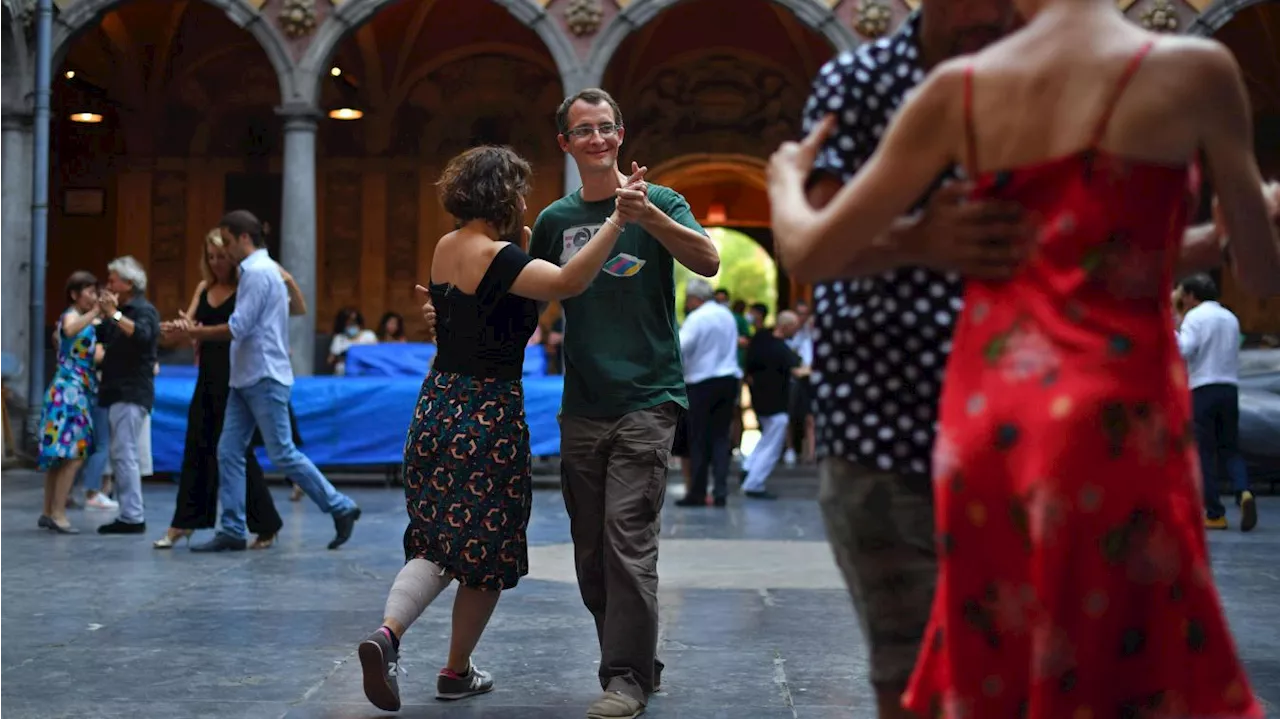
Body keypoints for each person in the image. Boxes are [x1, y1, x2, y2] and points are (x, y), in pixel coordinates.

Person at [769, 0, 1280, 713]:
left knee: (990, 663)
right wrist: (1251, 210)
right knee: (1122, 663)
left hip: (986, 420)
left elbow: (807, 247)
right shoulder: (1194, 70)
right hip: (1116, 420)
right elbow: (1258, 272)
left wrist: (784, 181)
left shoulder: (965, 88)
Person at [356, 145, 639, 712]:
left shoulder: (447, 247)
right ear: (503, 195)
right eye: (519, 189)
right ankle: (455, 670)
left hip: (437, 406)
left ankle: (387, 634)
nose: (524, 198)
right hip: (487, 414)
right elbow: (568, 282)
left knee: (436, 539)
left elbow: (482, 309)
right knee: (486, 551)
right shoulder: (498, 253)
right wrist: (617, 220)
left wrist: (525, 245)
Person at [529, 88, 718, 719]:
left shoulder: (659, 200)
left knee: (627, 539)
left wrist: (646, 218)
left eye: (606, 128)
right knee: (590, 552)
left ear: (621, 136)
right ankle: (638, 658)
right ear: (566, 143)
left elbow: (710, 260)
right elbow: (531, 301)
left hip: (648, 396)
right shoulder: (555, 222)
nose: (598, 138)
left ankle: (626, 677)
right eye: (584, 130)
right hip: (583, 402)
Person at [172, 210, 362, 552]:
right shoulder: (257, 271)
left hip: (263, 376)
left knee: (282, 453)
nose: (225, 251)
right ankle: (231, 528)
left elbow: (237, 327)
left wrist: (195, 331)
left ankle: (340, 506)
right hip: (246, 377)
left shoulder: (258, 273)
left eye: (228, 242)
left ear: (244, 238)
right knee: (228, 451)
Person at [154, 229, 287, 550]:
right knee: (197, 446)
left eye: (221, 257)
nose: (216, 263)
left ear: (233, 256)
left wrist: (286, 278)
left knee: (237, 454)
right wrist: (179, 329)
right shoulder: (204, 288)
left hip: (238, 377)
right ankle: (183, 522)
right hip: (207, 378)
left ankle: (265, 524)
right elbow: (190, 331)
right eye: (211, 257)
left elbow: (285, 309)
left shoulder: (250, 283)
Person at [1175, 272, 1257, 532]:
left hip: (1203, 389)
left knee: (1205, 453)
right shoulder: (1231, 317)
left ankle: (1215, 514)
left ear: (1190, 295)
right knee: (1231, 448)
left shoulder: (1195, 317)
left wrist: (1169, 327)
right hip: (1230, 388)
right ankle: (1243, 490)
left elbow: (1184, 349)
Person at [95, 256, 161, 535]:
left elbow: (143, 335)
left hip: (131, 391)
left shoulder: (142, 310)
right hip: (117, 391)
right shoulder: (121, 313)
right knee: (121, 453)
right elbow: (101, 337)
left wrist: (115, 314)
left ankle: (132, 515)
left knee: (125, 454)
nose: (109, 285)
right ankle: (129, 512)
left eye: (113, 280)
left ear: (128, 283)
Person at [36, 271, 104, 533]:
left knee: (61, 455)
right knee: (73, 453)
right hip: (69, 392)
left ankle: (48, 511)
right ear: (75, 295)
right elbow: (68, 328)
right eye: (88, 291)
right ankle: (58, 513)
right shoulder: (71, 316)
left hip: (76, 390)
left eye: (94, 291)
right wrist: (96, 312)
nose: (93, 296)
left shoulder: (88, 321)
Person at [674, 278, 742, 508]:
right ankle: (721, 491)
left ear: (695, 299)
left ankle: (698, 492)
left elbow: (680, 347)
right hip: (728, 380)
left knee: (699, 439)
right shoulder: (727, 316)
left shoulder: (697, 318)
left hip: (702, 382)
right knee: (722, 437)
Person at [741, 309, 805, 500]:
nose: (796, 333)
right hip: (776, 401)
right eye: (794, 328)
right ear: (786, 327)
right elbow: (797, 369)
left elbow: (748, 365)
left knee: (767, 437)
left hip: (760, 398)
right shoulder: (782, 349)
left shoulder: (761, 339)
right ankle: (754, 482)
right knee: (773, 445)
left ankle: (748, 467)